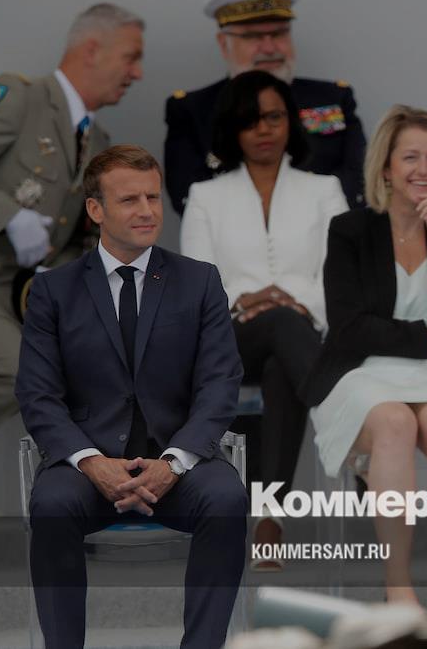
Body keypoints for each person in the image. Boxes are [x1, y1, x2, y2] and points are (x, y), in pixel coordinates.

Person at [17, 145, 247, 649]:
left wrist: (175, 462)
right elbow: (37, 395)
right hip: (86, 470)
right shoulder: (54, 291)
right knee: (51, 505)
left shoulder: (200, 280)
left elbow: (220, 383)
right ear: (95, 209)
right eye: (129, 200)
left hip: (180, 465)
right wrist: (91, 461)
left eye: (153, 197)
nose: (147, 211)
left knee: (227, 499)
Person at [0, 3, 144, 478]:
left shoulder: (97, 140)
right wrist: (8, 216)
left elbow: (81, 236)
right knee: (16, 371)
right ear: (92, 49)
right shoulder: (19, 98)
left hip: (33, 300)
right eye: (131, 57)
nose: (137, 73)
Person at [301, 105, 427, 605]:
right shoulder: (350, 230)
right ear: (386, 167)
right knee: (395, 422)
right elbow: (350, 327)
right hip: (358, 372)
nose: (424, 169)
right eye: (410, 157)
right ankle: (399, 588)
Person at [181, 70, 345, 566]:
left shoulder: (325, 190)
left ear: (290, 121)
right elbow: (198, 285)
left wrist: (295, 303)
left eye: (274, 117)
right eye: (250, 120)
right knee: (278, 326)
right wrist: (249, 301)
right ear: (233, 129)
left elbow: (339, 276)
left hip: (300, 337)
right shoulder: (206, 196)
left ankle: (269, 519)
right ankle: (348, 422)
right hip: (230, 339)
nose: (264, 129)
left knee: (282, 364)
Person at [165, 0, 367, 215]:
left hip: (329, 228)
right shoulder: (192, 110)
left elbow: (358, 177)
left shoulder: (334, 98)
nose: (270, 48)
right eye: (253, 36)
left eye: (279, 34)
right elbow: (188, 195)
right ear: (223, 43)